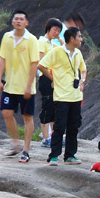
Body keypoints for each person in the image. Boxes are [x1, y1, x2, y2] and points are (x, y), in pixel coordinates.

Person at [38, 27, 87, 166]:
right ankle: (54, 156)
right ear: (71, 38)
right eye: (79, 36)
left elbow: (83, 69)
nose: (81, 39)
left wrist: (82, 80)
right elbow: (41, 66)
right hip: (61, 96)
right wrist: (53, 79)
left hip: (76, 96)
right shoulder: (57, 51)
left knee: (73, 127)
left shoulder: (78, 53)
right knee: (59, 127)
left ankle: (70, 155)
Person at [0, 10, 39, 163]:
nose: (18, 21)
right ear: (12, 21)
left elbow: (35, 63)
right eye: (16, 19)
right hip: (10, 85)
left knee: (27, 117)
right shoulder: (6, 37)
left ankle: (26, 151)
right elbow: (3, 58)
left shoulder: (31, 39)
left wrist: (29, 85)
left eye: (22, 19)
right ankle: (16, 144)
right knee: (7, 113)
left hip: (26, 86)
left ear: (26, 23)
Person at [37, 18, 63, 148]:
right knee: (47, 106)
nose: (56, 32)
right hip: (46, 78)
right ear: (48, 28)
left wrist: (60, 38)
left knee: (54, 107)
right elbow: (40, 63)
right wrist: (52, 79)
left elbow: (65, 49)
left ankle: (54, 136)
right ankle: (45, 138)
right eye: (55, 29)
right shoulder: (41, 42)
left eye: (59, 31)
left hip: (54, 77)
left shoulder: (53, 44)